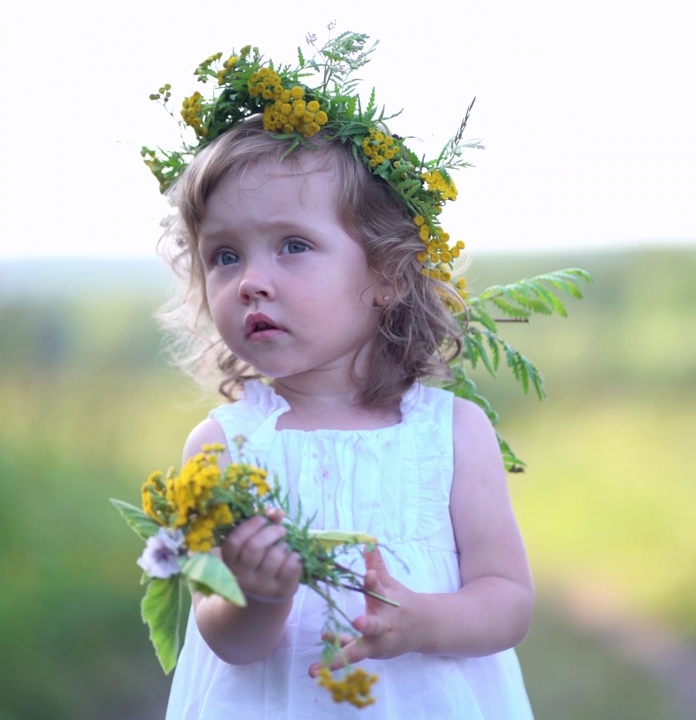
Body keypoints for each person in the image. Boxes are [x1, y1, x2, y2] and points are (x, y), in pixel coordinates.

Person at [150, 34, 535, 718]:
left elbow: (506, 600)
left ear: (385, 274)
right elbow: (220, 637)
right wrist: (258, 596)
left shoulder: (451, 432)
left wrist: (424, 622)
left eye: (293, 245)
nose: (251, 282)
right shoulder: (224, 447)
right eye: (224, 256)